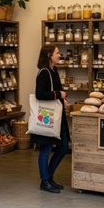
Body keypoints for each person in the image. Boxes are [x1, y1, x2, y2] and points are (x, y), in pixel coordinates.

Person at [31, 46, 70, 193]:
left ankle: (49, 177)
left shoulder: (54, 71)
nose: (60, 55)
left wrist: (63, 98)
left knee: (64, 147)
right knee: (46, 149)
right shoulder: (44, 73)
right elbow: (40, 94)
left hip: (57, 117)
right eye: (57, 53)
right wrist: (58, 94)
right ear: (49, 55)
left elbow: (58, 92)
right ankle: (45, 181)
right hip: (47, 118)